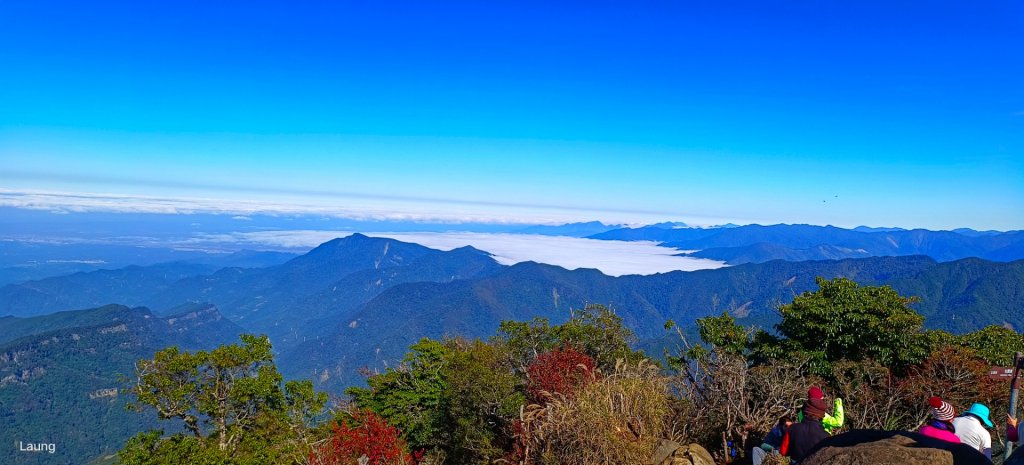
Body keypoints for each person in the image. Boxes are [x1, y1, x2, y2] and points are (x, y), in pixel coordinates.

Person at [782, 397, 829, 464]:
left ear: (804, 412)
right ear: (822, 416)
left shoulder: (792, 428)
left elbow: (783, 452)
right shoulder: (826, 436)